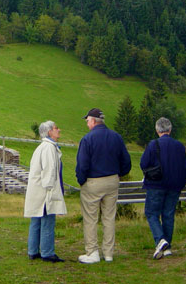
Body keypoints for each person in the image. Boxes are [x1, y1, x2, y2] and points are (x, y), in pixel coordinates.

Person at [75, 108, 131, 264]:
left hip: (93, 182)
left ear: (93, 121)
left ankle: (92, 252)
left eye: (87, 121)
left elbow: (82, 165)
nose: (87, 124)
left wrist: (81, 180)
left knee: (91, 218)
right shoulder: (116, 137)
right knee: (109, 217)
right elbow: (126, 162)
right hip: (112, 180)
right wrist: (118, 174)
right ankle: (108, 253)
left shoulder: (87, 139)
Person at [140, 117, 186, 259]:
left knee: (151, 213)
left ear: (157, 130)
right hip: (175, 185)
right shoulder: (179, 146)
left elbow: (144, 163)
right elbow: (184, 165)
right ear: (170, 129)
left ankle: (160, 239)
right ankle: (167, 246)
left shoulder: (153, 145)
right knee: (168, 215)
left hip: (156, 184)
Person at [24, 120, 67, 263]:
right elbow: (49, 171)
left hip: (37, 190)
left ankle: (33, 251)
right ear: (49, 132)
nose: (59, 130)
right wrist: (51, 191)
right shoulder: (49, 148)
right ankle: (47, 253)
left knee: (36, 219)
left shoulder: (42, 147)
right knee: (47, 220)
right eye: (56, 128)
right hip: (45, 191)